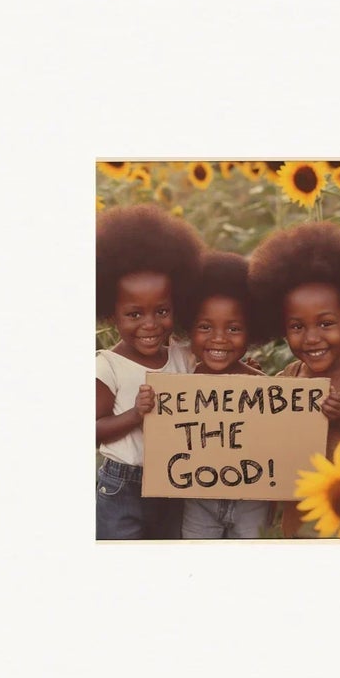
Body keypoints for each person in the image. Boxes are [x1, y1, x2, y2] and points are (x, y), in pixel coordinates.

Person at [94, 204, 202, 539]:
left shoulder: (182, 358)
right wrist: (135, 414)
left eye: (162, 311)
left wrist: (244, 372)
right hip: (121, 488)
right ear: (112, 315)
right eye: (134, 314)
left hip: (175, 482)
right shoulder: (107, 366)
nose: (151, 324)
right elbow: (93, 429)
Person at [249, 221, 340, 536]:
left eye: (325, 324)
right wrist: (251, 381)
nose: (311, 338)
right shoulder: (288, 377)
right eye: (297, 327)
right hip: (296, 519)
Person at [178, 251, 267, 540]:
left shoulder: (262, 385)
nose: (219, 338)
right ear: (188, 328)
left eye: (234, 328)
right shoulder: (181, 383)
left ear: (252, 332)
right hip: (198, 499)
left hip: (252, 499)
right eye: (205, 327)